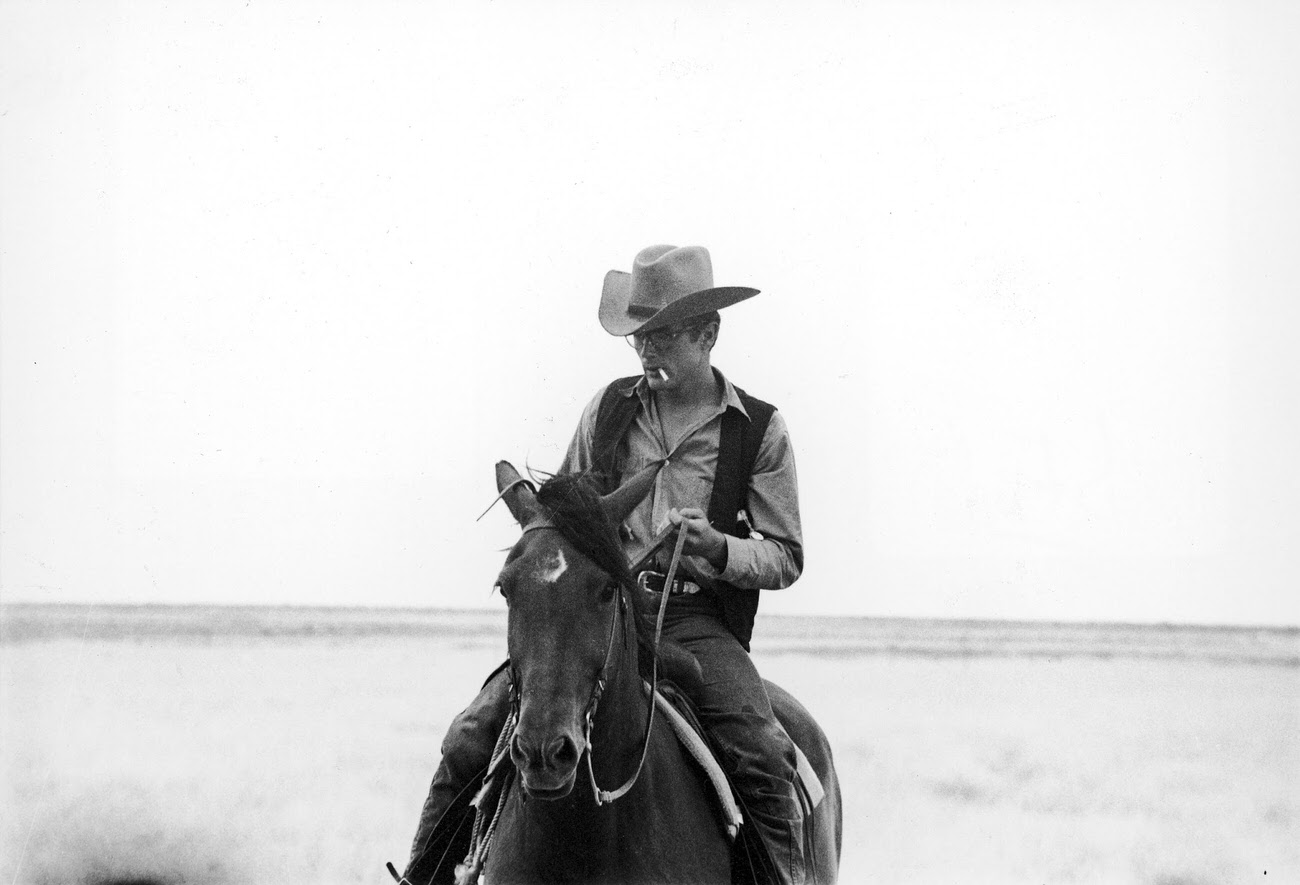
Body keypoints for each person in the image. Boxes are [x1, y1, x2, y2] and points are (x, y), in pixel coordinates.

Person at [406, 244, 807, 885]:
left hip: (697, 622)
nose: (646, 352)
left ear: (708, 333)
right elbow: (564, 517)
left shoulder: (760, 430)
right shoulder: (609, 410)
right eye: (638, 338)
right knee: (469, 737)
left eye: (662, 336)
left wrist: (718, 549)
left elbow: (785, 556)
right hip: (596, 616)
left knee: (763, 753)